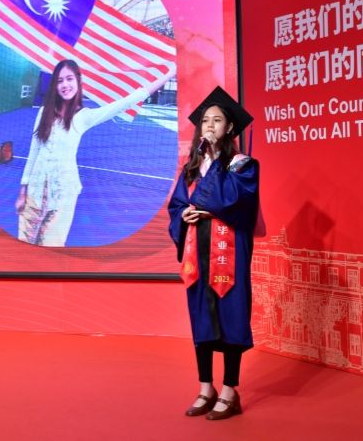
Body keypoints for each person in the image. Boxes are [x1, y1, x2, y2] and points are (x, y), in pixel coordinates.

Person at [167, 86, 259, 420]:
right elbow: (177, 204)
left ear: (229, 128)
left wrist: (215, 162)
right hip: (198, 252)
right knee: (202, 317)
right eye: (205, 120)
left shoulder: (243, 166)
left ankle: (230, 391)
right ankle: (206, 388)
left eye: (217, 120)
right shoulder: (192, 168)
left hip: (228, 254)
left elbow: (228, 201)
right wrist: (184, 215)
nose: (209, 126)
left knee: (231, 316)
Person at [16, 59, 175, 247]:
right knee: (24, 244)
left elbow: (127, 102)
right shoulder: (44, 112)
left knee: (52, 246)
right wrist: (23, 191)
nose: (65, 85)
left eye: (69, 79)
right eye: (60, 81)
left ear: (78, 81)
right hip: (34, 193)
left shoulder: (84, 116)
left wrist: (169, 74)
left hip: (64, 195)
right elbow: (34, 151)